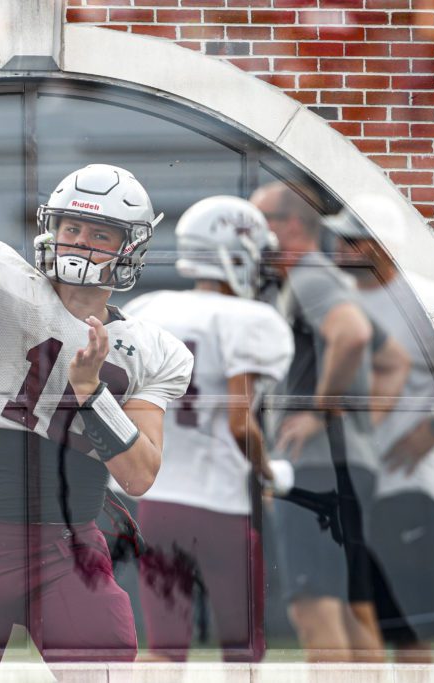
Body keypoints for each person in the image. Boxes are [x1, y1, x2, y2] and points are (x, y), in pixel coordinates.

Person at [0, 85, 193, 663]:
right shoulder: (0, 287)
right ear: (51, 228)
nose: (80, 241)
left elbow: (140, 474)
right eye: (72, 227)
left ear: (129, 248)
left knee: (105, 672)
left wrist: (90, 393)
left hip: (70, 547)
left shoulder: (150, 348)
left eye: (100, 234)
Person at [122, 196, 294, 663]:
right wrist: (269, 472)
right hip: (220, 506)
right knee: (242, 653)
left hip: (157, 505)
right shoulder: (250, 320)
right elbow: (241, 422)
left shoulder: (150, 309)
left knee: (164, 651)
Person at [250, 181, 400, 663]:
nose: (251, 234)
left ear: (292, 225)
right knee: (356, 611)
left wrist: (318, 410)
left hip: (315, 470)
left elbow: (352, 335)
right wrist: (363, 427)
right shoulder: (329, 278)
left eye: (260, 221)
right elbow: (393, 359)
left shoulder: (311, 278)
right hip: (348, 466)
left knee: (315, 608)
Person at [325, 200, 434, 662]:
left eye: (350, 240)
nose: (338, 249)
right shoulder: (336, 300)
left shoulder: (429, 304)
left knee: (409, 626)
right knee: (355, 620)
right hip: (345, 481)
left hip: (404, 482)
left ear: (381, 246)